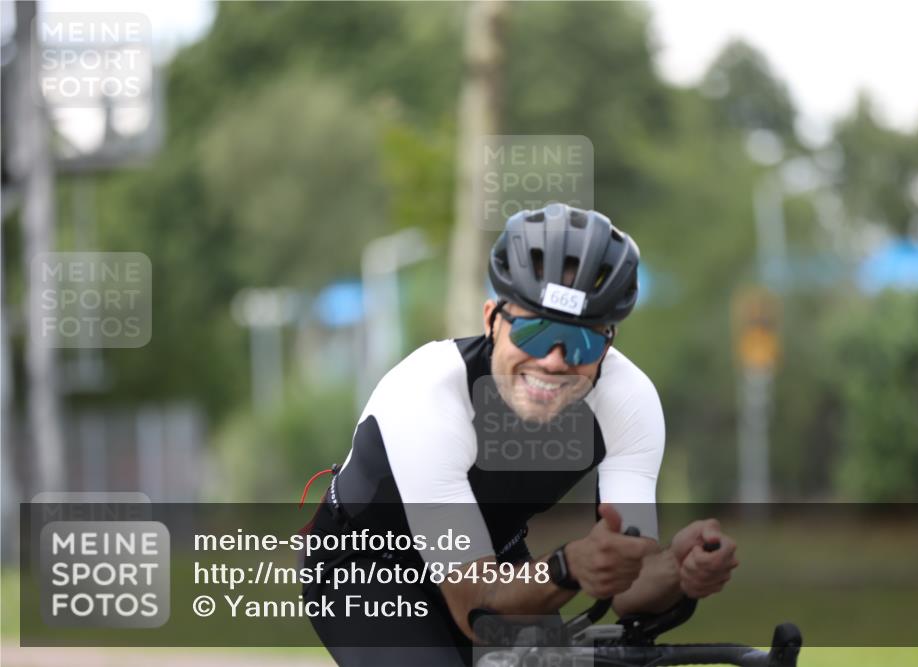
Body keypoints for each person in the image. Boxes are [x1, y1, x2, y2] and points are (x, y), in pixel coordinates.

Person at [303, 203, 738, 666]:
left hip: (498, 562)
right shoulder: (430, 393)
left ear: (607, 345)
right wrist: (567, 567)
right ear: (493, 318)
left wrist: (677, 567)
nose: (553, 360)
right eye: (534, 331)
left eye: (582, 342)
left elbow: (628, 592)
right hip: (370, 569)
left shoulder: (628, 402)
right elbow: (477, 609)